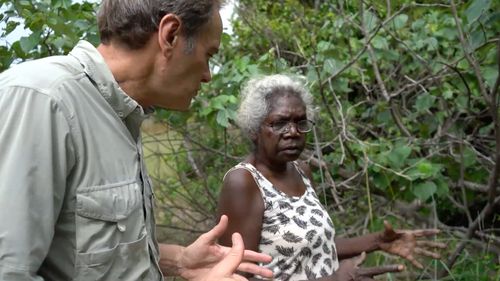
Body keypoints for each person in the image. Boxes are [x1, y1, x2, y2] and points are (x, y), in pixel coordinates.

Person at [0, 0, 273, 280]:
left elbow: (82, 252)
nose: (207, 75)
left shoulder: (121, 113)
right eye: (208, 54)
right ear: (170, 35)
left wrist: (178, 261)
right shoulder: (43, 100)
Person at [217, 74, 447, 280]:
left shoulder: (301, 171)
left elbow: (314, 247)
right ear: (254, 130)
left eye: (300, 122)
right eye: (280, 123)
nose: (293, 132)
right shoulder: (243, 182)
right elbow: (235, 276)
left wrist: (378, 242)